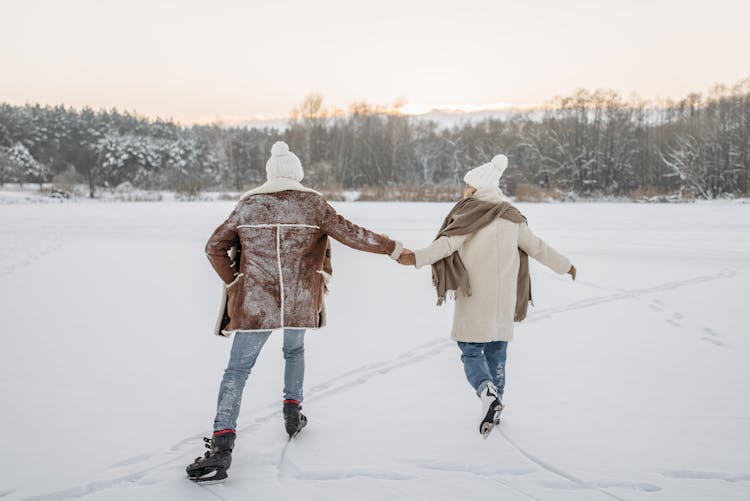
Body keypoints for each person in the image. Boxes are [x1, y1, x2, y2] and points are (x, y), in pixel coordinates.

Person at [186, 141, 408, 483]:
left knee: (237, 371)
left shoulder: (249, 206)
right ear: (298, 175)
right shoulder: (313, 205)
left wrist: (237, 282)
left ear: (269, 174)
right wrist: (393, 248)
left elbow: (213, 247)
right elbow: (354, 235)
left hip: (256, 303)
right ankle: (293, 411)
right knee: (294, 350)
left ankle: (221, 446)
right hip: (300, 298)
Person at [397, 154, 576, 437]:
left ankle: (486, 392)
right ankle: (496, 406)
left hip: (475, 295)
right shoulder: (512, 218)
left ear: (477, 188)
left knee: (469, 349)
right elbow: (537, 247)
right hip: (504, 298)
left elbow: (445, 245)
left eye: (467, 185)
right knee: (497, 353)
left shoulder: (469, 215)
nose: (463, 189)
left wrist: (416, 258)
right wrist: (565, 265)